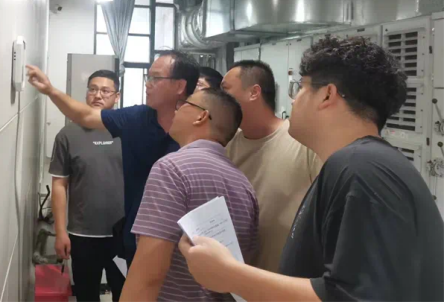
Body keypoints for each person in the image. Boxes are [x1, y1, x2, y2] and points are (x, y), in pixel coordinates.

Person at [179, 36, 444, 302]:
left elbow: (351, 297)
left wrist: (229, 275)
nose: (293, 100)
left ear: (327, 95)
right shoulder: (361, 164)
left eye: (300, 87)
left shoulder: (360, 168)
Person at [27, 50, 200, 265]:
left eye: (155, 78)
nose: (148, 84)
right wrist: (51, 91)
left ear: (180, 86)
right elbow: (86, 115)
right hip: (138, 236)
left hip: (185, 240)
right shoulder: (136, 119)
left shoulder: (201, 126)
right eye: (148, 77)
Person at [120, 89, 258, 302]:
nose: (176, 111)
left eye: (183, 104)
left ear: (201, 116)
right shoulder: (244, 185)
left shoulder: (172, 169)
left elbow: (148, 276)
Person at [221, 60, 322, 272]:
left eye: (225, 90)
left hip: (286, 279)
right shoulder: (227, 146)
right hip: (237, 276)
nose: (219, 99)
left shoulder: (303, 143)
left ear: (254, 93)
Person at [49, 70, 125, 302]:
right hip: (82, 234)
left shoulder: (128, 131)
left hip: (123, 234)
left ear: (117, 96)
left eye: (105, 91)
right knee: (86, 295)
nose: (98, 95)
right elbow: (59, 185)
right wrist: (60, 232)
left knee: (126, 294)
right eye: (93, 89)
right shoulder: (67, 135)